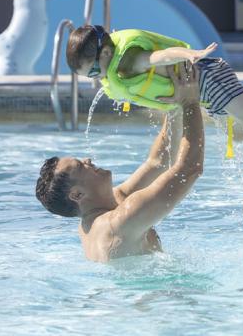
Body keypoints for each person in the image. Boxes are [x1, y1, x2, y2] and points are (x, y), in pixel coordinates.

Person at [65, 25, 243, 191]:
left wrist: (190, 54)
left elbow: (158, 56)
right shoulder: (112, 68)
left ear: (104, 54)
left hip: (207, 79)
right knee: (241, 133)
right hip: (201, 93)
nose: (95, 81)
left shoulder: (127, 61)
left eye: (92, 73)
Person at [35, 62, 204, 262]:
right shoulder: (119, 222)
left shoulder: (102, 210)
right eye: (81, 166)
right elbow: (189, 169)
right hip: (155, 292)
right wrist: (191, 102)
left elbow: (159, 161)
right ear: (77, 194)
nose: (88, 160)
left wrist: (174, 105)